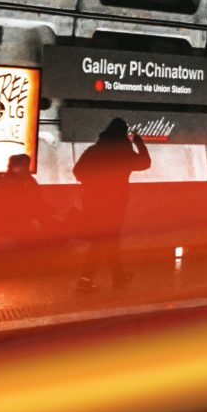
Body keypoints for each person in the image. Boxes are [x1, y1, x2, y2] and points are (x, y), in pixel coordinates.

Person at [73, 116, 152, 292]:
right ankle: (85, 280)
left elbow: (77, 171)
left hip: (93, 201)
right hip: (115, 202)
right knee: (105, 239)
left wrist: (91, 183)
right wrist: (140, 143)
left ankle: (118, 277)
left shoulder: (94, 150)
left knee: (108, 239)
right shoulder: (123, 152)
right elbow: (145, 163)